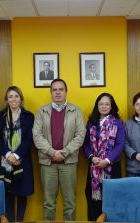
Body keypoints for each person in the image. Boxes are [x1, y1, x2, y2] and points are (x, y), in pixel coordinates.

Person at [33, 78, 86, 221]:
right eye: (54, 90)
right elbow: (37, 135)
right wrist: (52, 152)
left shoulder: (76, 111)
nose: (57, 92)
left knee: (70, 203)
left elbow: (80, 135)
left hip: (68, 162)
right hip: (47, 162)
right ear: (50, 92)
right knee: (48, 203)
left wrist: (64, 153)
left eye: (60, 89)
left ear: (66, 92)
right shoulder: (42, 111)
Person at [0, 86, 34, 222]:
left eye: (16, 96)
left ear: (21, 99)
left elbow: (29, 139)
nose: (13, 99)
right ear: (6, 100)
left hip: (22, 160)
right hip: (4, 161)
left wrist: (16, 155)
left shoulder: (28, 116)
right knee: (7, 192)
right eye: (10, 96)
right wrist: (8, 154)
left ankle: (20, 220)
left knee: (22, 193)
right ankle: (10, 220)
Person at [83, 92, 125, 221]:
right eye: (101, 103)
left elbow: (120, 144)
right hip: (94, 167)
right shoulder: (91, 123)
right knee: (93, 200)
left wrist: (106, 160)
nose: (104, 106)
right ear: (97, 106)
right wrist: (92, 157)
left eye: (107, 104)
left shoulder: (118, 123)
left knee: (112, 200)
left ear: (112, 106)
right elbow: (85, 144)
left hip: (112, 168)